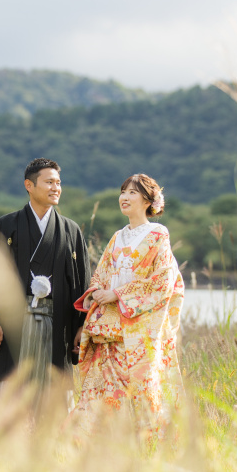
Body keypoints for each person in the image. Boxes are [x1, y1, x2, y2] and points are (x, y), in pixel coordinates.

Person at [72, 173, 185, 439]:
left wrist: (118, 294)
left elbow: (163, 281)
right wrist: (98, 292)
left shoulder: (158, 234)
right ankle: (94, 445)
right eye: (123, 192)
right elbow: (101, 274)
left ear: (148, 201)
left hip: (138, 330)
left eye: (132, 192)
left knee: (141, 392)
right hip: (110, 328)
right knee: (101, 392)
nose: (124, 197)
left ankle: (144, 446)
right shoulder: (117, 237)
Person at [0, 158, 90, 399]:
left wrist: (81, 326)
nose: (56, 188)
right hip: (12, 321)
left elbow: (82, 283)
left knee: (53, 391)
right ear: (29, 185)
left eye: (58, 183)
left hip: (56, 322)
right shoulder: (7, 225)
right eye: (49, 182)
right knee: (9, 386)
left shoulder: (70, 230)